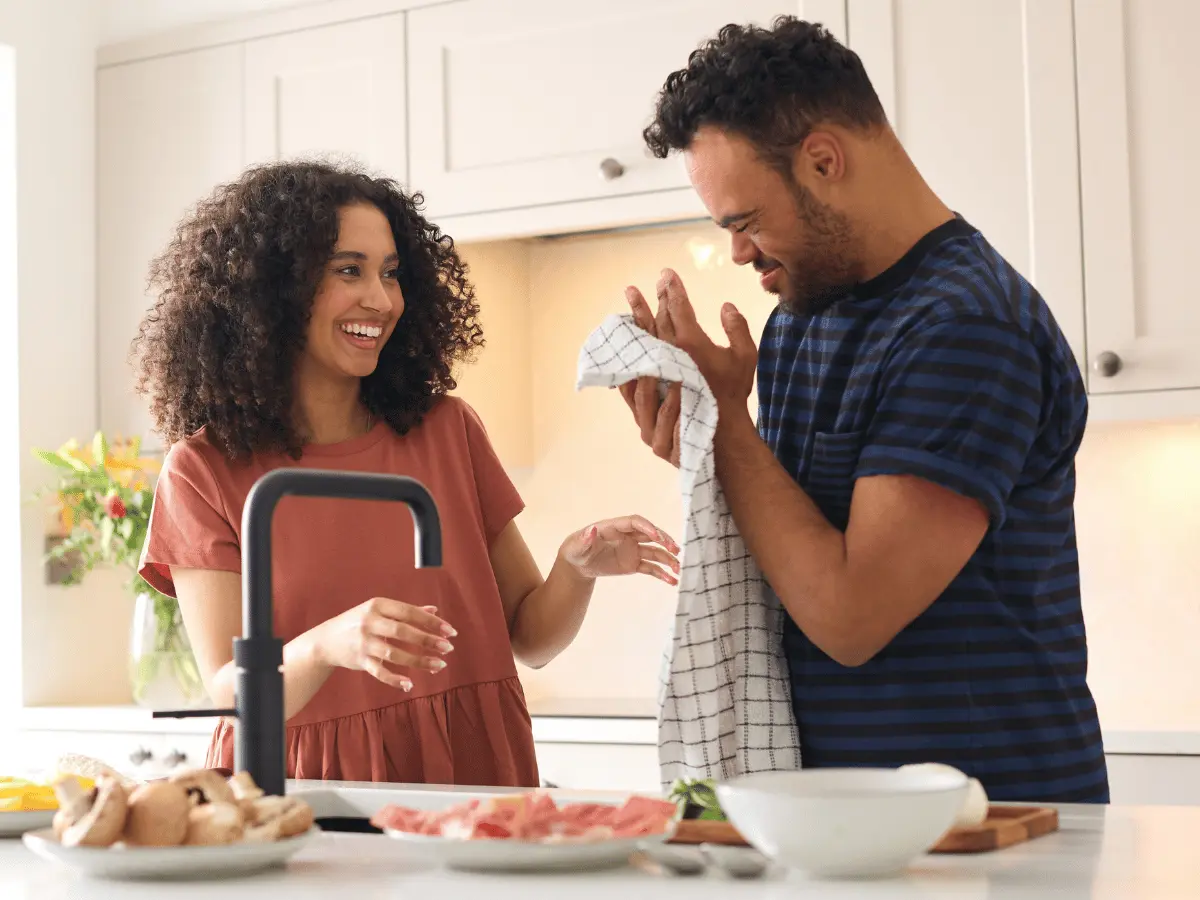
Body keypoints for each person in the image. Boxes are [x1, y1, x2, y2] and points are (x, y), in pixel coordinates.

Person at [618, 17, 1108, 803]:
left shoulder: (966, 326)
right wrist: (705, 442)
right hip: (845, 821)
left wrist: (730, 427)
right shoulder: (803, 317)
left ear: (822, 160)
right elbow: (799, 550)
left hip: (984, 826)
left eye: (744, 222)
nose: (739, 253)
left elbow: (850, 617)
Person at [133, 160, 679, 786]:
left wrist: (575, 568)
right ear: (273, 289)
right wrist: (326, 645)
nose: (382, 299)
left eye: (391, 273)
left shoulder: (448, 432)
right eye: (348, 270)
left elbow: (530, 638)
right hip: (308, 786)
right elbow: (230, 690)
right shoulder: (203, 471)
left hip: (471, 767)